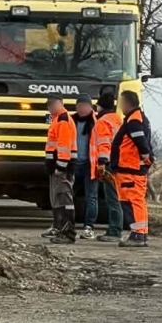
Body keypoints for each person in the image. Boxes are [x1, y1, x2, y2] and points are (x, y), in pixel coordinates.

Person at [111, 91, 153, 247]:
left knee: (132, 202)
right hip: (131, 168)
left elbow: (140, 141)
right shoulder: (136, 118)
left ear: (127, 103)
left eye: (121, 103)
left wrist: (146, 157)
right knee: (133, 201)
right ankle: (140, 233)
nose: (120, 106)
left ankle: (138, 234)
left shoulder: (134, 120)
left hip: (130, 169)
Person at [41, 94, 78, 244]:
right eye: (49, 105)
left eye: (53, 104)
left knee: (64, 199)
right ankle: (59, 228)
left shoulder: (63, 120)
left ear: (60, 104)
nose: (50, 108)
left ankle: (68, 232)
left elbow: (64, 146)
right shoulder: (57, 119)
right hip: (57, 167)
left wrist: (61, 166)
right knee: (58, 199)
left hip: (62, 167)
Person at [91, 92, 123, 242]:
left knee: (112, 198)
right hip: (121, 162)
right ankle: (116, 228)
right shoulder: (118, 119)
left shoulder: (103, 121)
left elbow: (104, 143)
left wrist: (102, 163)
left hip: (109, 164)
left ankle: (114, 231)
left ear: (100, 106)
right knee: (118, 197)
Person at [72, 94, 98, 239]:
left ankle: (89, 227)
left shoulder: (96, 122)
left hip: (90, 165)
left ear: (90, 107)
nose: (82, 109)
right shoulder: (70, 121)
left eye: (85, 106)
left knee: (91, 197)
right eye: (80, 106)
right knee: (66, 196)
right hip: (73, 164)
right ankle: (63, 224)